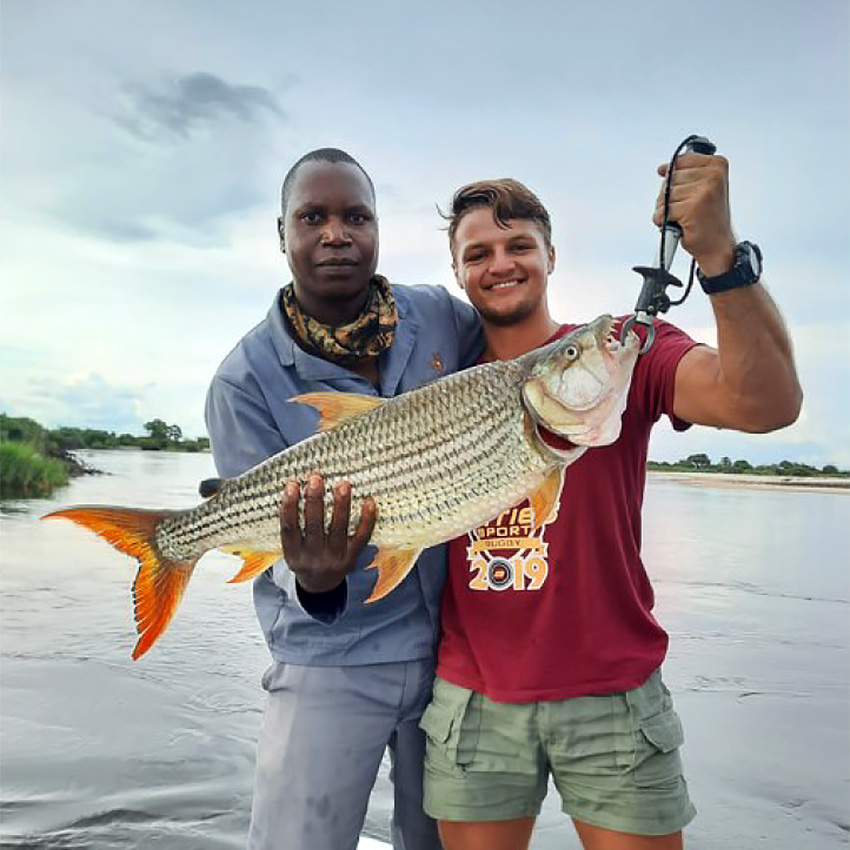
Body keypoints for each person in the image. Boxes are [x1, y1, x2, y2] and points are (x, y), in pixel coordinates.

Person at [418, 161, 802, 850]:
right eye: (477, 253)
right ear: (457, 270)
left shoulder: (623, 352)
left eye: (519, 247)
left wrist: (719, 259)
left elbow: (767, 403)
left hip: (614, 692)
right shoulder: (437, 383)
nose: (500, 264)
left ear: (551, 256)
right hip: (474, 697)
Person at [204, 147, 482, 850]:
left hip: (457, 655)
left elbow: (523, 359)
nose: (336, 233)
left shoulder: (443, 318)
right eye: (313, 217)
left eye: (355, 216)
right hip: (326, 656)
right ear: (283, 234)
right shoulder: (243, 381)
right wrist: (314, 580)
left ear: (378, 230)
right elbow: (270, 553)